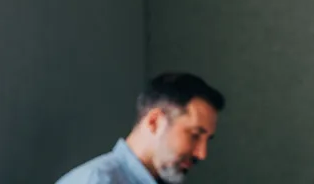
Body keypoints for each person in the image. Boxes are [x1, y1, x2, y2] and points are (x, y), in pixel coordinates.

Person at [56, 72, 225, 184]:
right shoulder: (96, 180)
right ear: (154, 122)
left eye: (207, 140)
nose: (202, 154)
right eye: (194, 135)